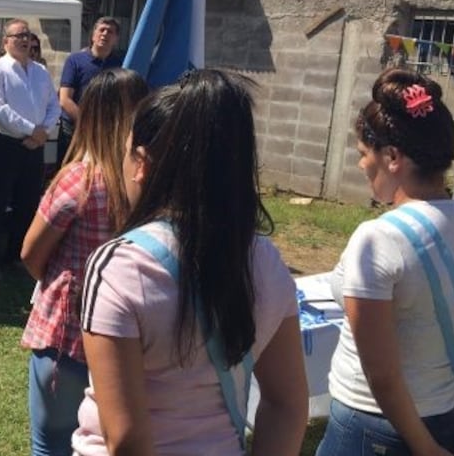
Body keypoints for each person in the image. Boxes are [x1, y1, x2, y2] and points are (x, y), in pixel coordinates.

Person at [75, 69, 308, 456]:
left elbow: (127, 440)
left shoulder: (121, 267)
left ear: (141, 163)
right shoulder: (265, 260)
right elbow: (287, 404)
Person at [316, 68, 454, 456]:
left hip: (375, 426)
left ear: (392, 156)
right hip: (444, 410)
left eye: (364, 153)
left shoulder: (379, 239)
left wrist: (424, 448)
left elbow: (381, 373)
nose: (361, 165)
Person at [20, 69, 148, 456]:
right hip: (130, 339)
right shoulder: (149, 184)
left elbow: (31, 254)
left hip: (67, 336)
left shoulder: (79, 179)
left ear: (91, 116)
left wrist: (60, 279)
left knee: (51, 444)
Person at [0, 18, 61, 280]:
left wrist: (42, 133)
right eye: (18, 36)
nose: (25, 40)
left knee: (27, 203)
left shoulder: (40, 71)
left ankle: (16, 255)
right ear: (6, 41)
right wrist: (32, 129)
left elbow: (54, 106)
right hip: (4, 144)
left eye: (27, 35)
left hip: (34, 146)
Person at [57, 17, 122, 168]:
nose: (105, 34)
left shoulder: (119, 64)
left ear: (116, 39)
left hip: (104, 132)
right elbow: (65, 99)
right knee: (70, 172)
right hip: (75, 129)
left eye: (110, 32)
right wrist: (87, 123)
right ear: (93, 35)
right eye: (101, 30)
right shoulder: (75, 60)